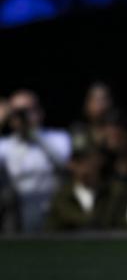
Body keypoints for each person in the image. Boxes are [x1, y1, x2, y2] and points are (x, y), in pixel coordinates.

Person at [0, 90, 72, 232]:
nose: (21, 117)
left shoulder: (58, 138)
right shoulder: (4, 145)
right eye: (16, 112)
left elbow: (63, 165)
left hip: (53, 210)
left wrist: (33, 133)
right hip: (16, 213)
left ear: (39, 111)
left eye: (27, 111)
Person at [46, 145, 127, 231]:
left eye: (87, 161)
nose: (83, 168)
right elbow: (51, 232)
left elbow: (123, 228)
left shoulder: (117, 192)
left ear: (100, 161)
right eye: (77, 162)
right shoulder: (62, 196)